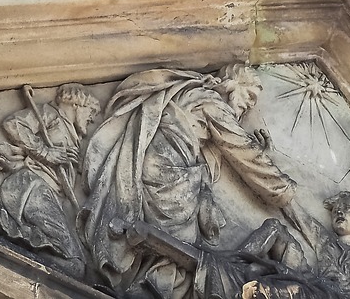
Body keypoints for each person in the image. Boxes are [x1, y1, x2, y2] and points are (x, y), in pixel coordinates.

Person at [81, 65, 297, 299]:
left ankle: (151, 285)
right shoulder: (212, 103)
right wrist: (280, 188)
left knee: (175, 240)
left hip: (165, 168)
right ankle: (152, 289)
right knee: (178, 240)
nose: (249, 105)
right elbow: (241, 148)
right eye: (249, 96)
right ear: (232, 86)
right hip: (168, 173)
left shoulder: (193, 94)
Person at [0, 84, 102, 277]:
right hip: (31, 187)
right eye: (91, 111)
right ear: (77, 104)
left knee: (76, 263)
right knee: (74, 263)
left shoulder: (71, 134)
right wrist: (46, 152)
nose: (92, 118)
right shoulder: (50, 114)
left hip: (47, 193)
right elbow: (13, 124)